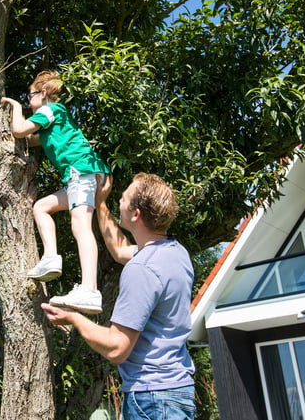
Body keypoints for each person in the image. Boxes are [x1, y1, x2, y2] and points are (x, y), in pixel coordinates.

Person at [42, 173, 196, 420]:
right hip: (177, 391)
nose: (120, 201)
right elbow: (119, 249)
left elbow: (117, 348)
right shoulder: (176, 253)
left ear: (136, 215)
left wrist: (74, 318)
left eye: (123, 199)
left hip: (152, 399)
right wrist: (100, 203)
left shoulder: (142, 269)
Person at [0, 70, 110, 314]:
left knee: (80, 226)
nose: (29, 102)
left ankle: (90, 289)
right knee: (41, 207)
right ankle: (51, 258)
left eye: (30, 96)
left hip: (82, 171)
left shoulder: (51, 110)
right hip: (80, 176)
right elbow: (30, 139)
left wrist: (15, 107)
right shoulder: (52, 120)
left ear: (43, 93)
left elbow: (19, 130)